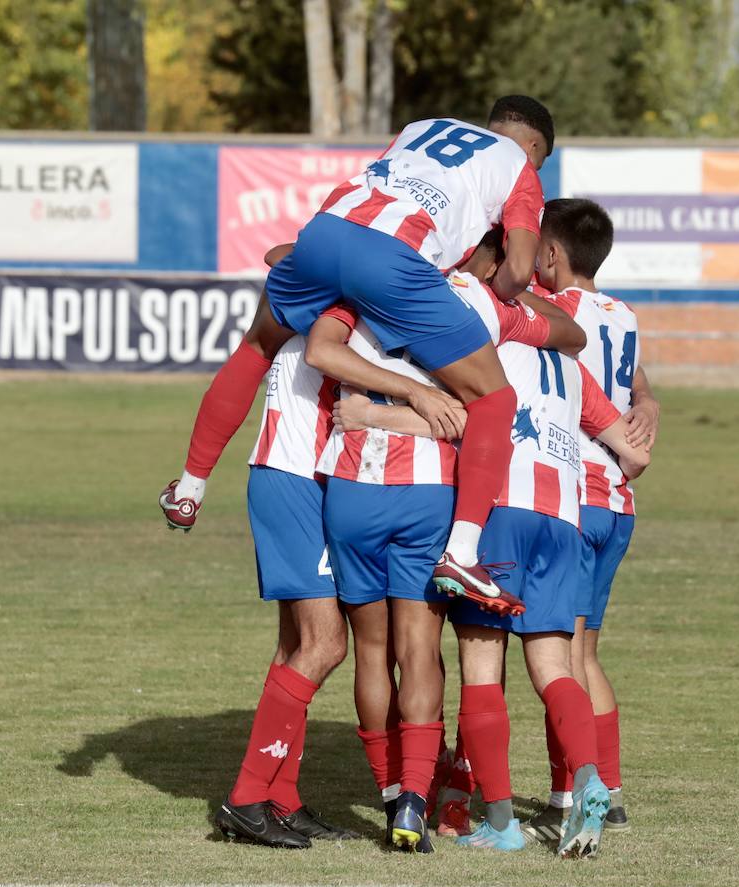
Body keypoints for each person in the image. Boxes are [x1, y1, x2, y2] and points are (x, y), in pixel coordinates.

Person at [161, 96, 557, 614]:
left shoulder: (423, 125)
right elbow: (520, 271)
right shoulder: (519, 170)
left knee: (256, 346)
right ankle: (461, 554)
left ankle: (189, 489)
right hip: (397, 260)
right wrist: (488, 289)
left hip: (326, 231)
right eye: (540, 160)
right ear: (532, 147)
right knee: (494, 400)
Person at [302, 227, 584, 852]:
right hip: (429, 493)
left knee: (372, 650)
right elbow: (567, 337)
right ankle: (412, 799)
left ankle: (383, 792)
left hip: (352, 485)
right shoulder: (470, 306)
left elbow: (319, 347)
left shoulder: (355, 291)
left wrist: (375, 405)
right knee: (421, 648)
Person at [197, 247, 463, 850]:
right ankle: (244, 798)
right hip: (294, 479)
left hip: (319, 483)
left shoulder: (353, 310)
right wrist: (194, 474)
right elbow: (280, 266)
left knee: (296, 645)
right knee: (327, 643)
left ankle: (282, 800)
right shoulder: (319, 304)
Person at [521, 198, 659, 840]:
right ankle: (611, 786)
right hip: (619, 504)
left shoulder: (550, 313)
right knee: (588, 652)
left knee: (561, 655)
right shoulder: (623, 315)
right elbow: (633, 384)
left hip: (572, 494)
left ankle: (574, 790)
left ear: (549, 255)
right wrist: (649, 398)